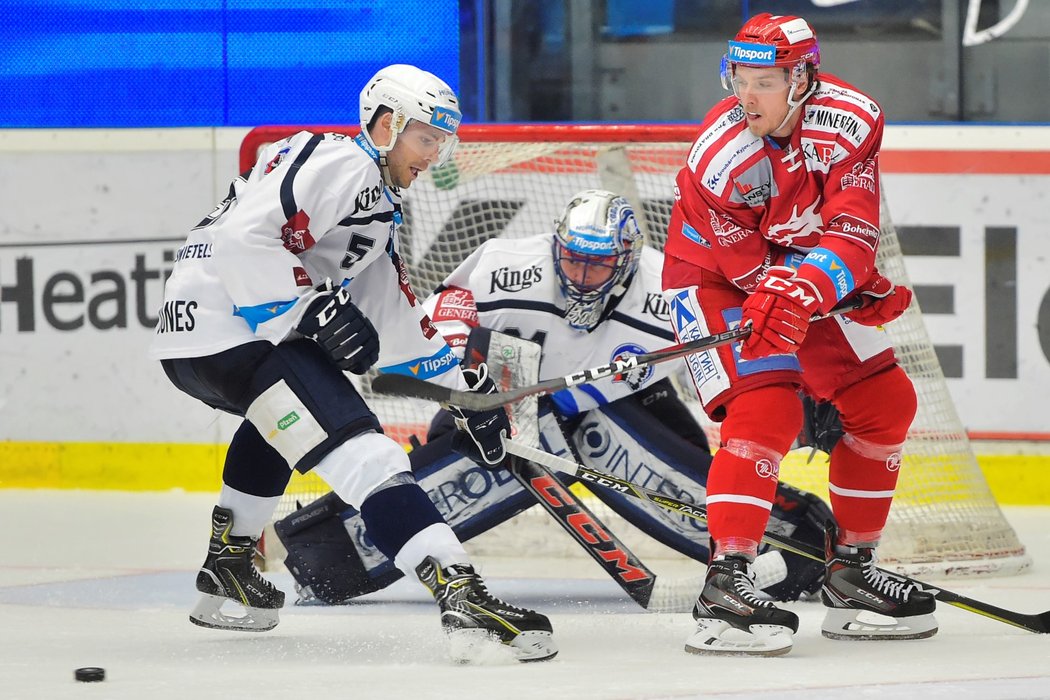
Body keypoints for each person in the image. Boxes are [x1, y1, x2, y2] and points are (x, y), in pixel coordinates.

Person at [148, 64, 556, 663]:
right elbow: (243, 238)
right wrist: (305, 306)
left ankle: (228, 565)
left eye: (443, 140)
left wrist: (466, 397)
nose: (435, 154)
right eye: (425, 137)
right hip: (232, 331)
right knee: (373, 454)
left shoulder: (374, 202)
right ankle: (460, 592)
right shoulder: (346, 164)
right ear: (386, 125)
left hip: (192, 342)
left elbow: (396, 325)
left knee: (276, 423)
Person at [276, 189, 837, 608]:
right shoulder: (506, 262)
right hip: (512, 399)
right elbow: (443, 313)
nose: (583, 275)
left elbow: (730, 357)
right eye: (573, 258)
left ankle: (798, 544)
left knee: (695, 482)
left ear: (628, 258)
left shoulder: (667, 286)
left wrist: (805, 394)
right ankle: (327, 551)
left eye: (599, 264)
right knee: (464, 452)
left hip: (628, 404)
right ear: (555, 243)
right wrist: (467, 380)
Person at [662, 13, 934, 656]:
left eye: (763, 80)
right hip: (710, 278)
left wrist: (839, 285)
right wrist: (819, 291)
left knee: (885, 403)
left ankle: (850, 573)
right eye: (738, 78)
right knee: (768, 407)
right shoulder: (721, 156)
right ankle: (724, 585)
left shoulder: (852, 120)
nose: (744, 96)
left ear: (803, 77)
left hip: (794, 270)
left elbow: (852, 229)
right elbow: (744, 264)